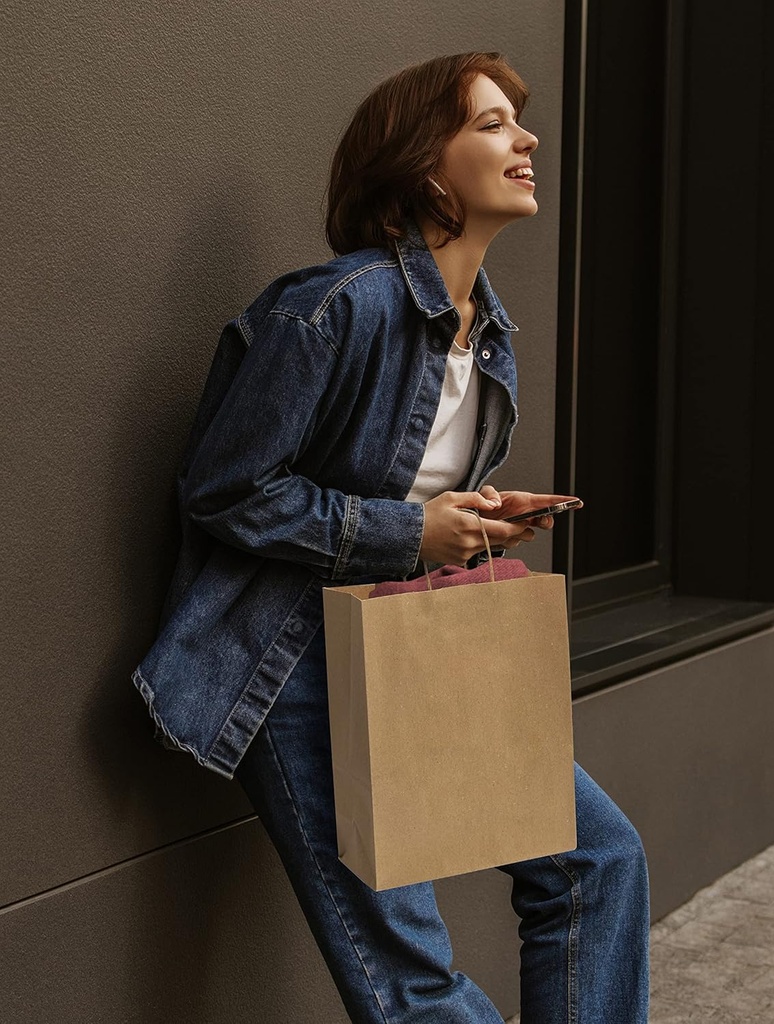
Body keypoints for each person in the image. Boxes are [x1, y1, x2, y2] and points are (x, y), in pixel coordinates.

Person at [133, 52, 650, 1023]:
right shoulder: (331, 307)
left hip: (414, 645)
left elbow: (398, 479)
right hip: (291, 666)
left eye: (516, 121)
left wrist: (476, 516)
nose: (526, 138)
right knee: (406, 975)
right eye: (493, 124)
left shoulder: (486, 332)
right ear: (425, 167)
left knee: (598, 860)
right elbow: (224, 490)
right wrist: (414, 530)